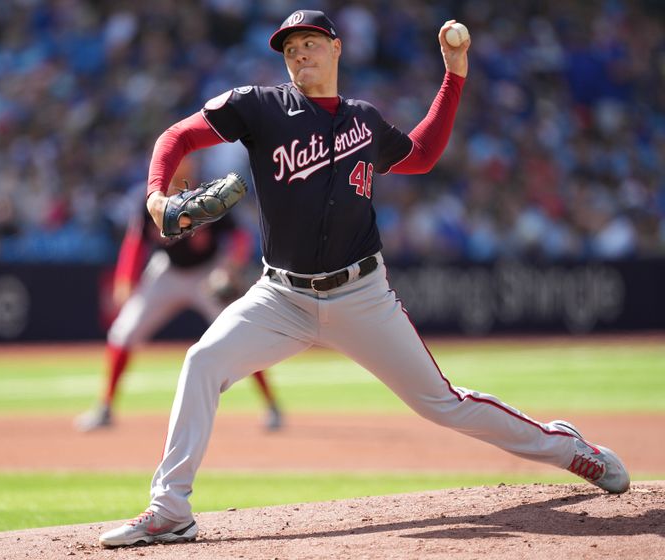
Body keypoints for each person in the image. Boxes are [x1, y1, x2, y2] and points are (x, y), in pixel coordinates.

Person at [98, 10, 630, 548]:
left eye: (309, 43)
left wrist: (454, 75)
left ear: (336, 48)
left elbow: (421, 156)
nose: (298, 54)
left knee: (443, 404)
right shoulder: (258, 107)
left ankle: (569, 449)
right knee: (202, 361)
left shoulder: (364, 120)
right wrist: (157, 195)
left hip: (361, 294)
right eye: (289, 49)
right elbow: (177, 137)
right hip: (280, 296)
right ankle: (170, 510)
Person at [75, 158, 283, 433]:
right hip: (168, 272)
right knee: (122, 333)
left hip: (207, 273)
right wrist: (125, 277)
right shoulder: (151, 198)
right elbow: (136, 241)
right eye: (175, 160)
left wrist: (231, 266)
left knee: (240, 335)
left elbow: (239, 237)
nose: (181, 165)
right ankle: (105, 407)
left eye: (185, 160)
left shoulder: (209, 193)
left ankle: (271, 405)